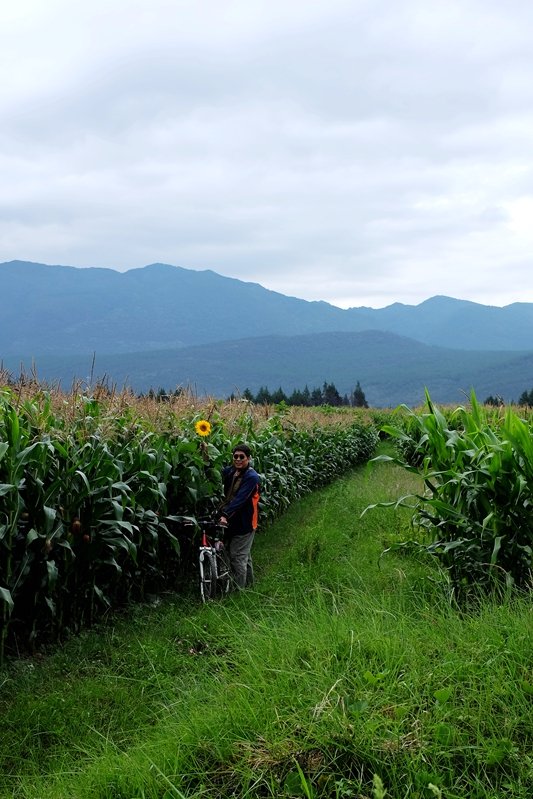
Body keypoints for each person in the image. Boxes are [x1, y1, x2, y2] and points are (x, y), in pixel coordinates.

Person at [218, 443, 260, 589]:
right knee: (244, 556)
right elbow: (216, 471)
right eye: (235, 456)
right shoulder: (231, 471)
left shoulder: (252, 477)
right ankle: (249, 586)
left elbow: (240, 500)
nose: (238, 459)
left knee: (237, 557)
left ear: (248, 458)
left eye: (242, 457)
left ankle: (238, 591)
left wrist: (225, 514)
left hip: (245, 522)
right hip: (234, 521)